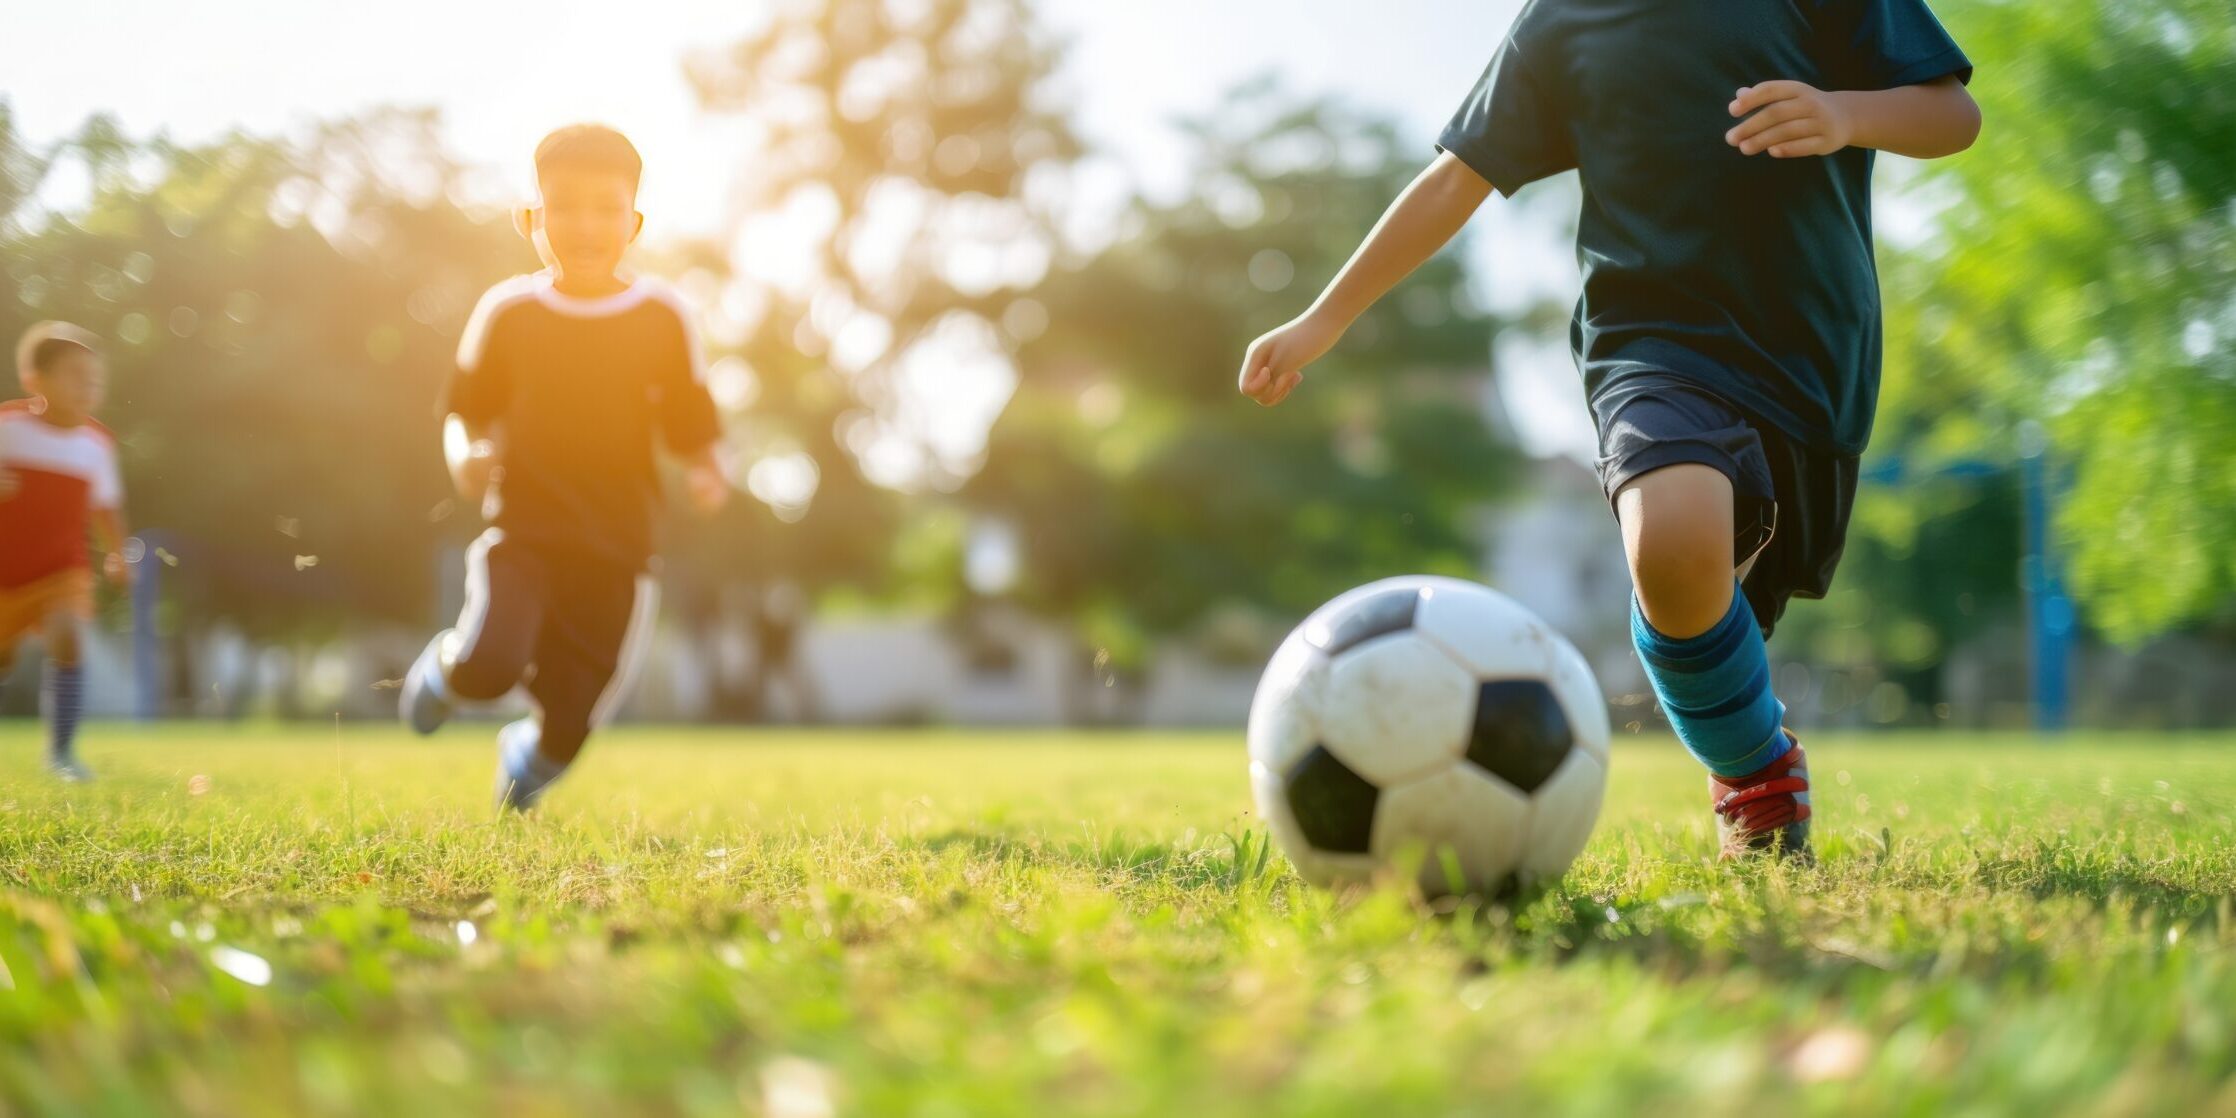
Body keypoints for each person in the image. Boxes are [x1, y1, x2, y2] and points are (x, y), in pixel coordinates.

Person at [1237, 0, 1979, 859]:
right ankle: (1757, 778)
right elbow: (1454, 176)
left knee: (1718, 592)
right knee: (1670, 542)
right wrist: (1324, 320)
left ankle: (1736, 720)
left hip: (1809, 354)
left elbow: (1951, 114)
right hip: (1651, 343)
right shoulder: (1564, 17)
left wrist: (1846, 112)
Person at [400, 124, 729, 811]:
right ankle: (445, 674)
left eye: (606, 209)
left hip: (620, 549)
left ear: (633, 223)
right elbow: (465, 409)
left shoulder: (662, 316)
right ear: (532, 220)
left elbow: (694, 423)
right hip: (525, 532)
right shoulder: (509, 312)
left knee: (569, 726)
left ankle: (526, 760)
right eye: (565, 206)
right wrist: (465, 459)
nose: (585, 225)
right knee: (491, 666)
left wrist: (706, 468)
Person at [2, 322, 132, 782]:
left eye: (94, 378)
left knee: (68, 637)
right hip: (5, 574)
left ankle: (62, 752)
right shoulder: (7, 426)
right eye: (75, 375)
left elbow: (106, 507)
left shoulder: (97, 445)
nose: (88, 386)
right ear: (35, 380)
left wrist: (118, 553)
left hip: (62, 570)